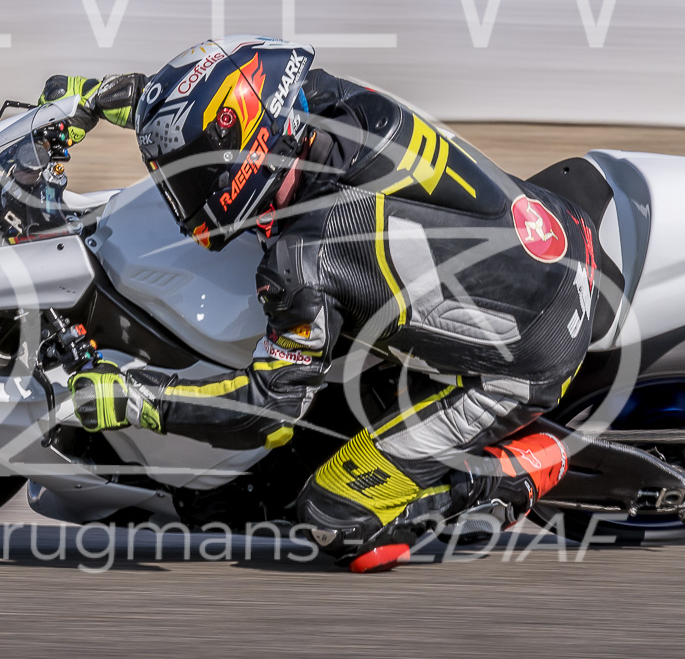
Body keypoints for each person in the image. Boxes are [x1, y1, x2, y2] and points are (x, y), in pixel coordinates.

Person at [41, 37, 596, 572]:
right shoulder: (319, 98)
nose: (178, 192)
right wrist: (107, 98)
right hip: (550, 229)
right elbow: (221, 104)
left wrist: (141, 400)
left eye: (191, 176)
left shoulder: (307, 259)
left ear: (242, 164)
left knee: (333, 520)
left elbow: (267, 411)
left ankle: (510, 475)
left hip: (528, 358)